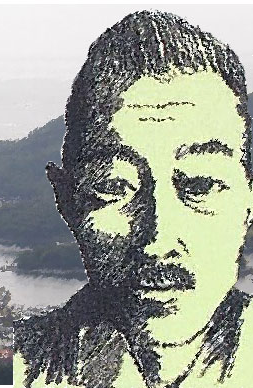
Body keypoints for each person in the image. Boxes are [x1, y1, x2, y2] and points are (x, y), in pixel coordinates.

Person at [13, 10, 253, 387]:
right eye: (114, 187)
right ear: (66, 200)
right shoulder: (22, 368)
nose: (158, 240)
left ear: (249, 198)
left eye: (201, 185)